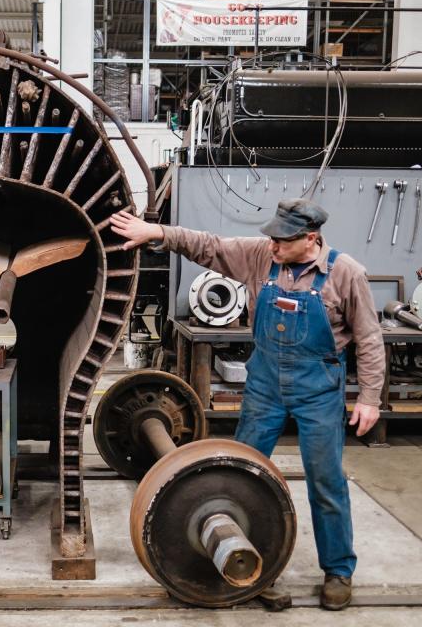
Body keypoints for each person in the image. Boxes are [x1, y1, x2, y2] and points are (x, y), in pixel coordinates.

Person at [109, 199, 386, 611]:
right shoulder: (260, 257)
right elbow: (209, 245)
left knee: (327, 483)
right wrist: (160, 234)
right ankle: (252, 561)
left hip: (319, 391)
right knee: (240, 476)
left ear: (310, 239)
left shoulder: (346, 273)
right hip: (265, 388)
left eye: (281, 240)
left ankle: (338, 571)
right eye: (271, 237)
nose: (271, 245)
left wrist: (369, 398)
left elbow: (368, 338)